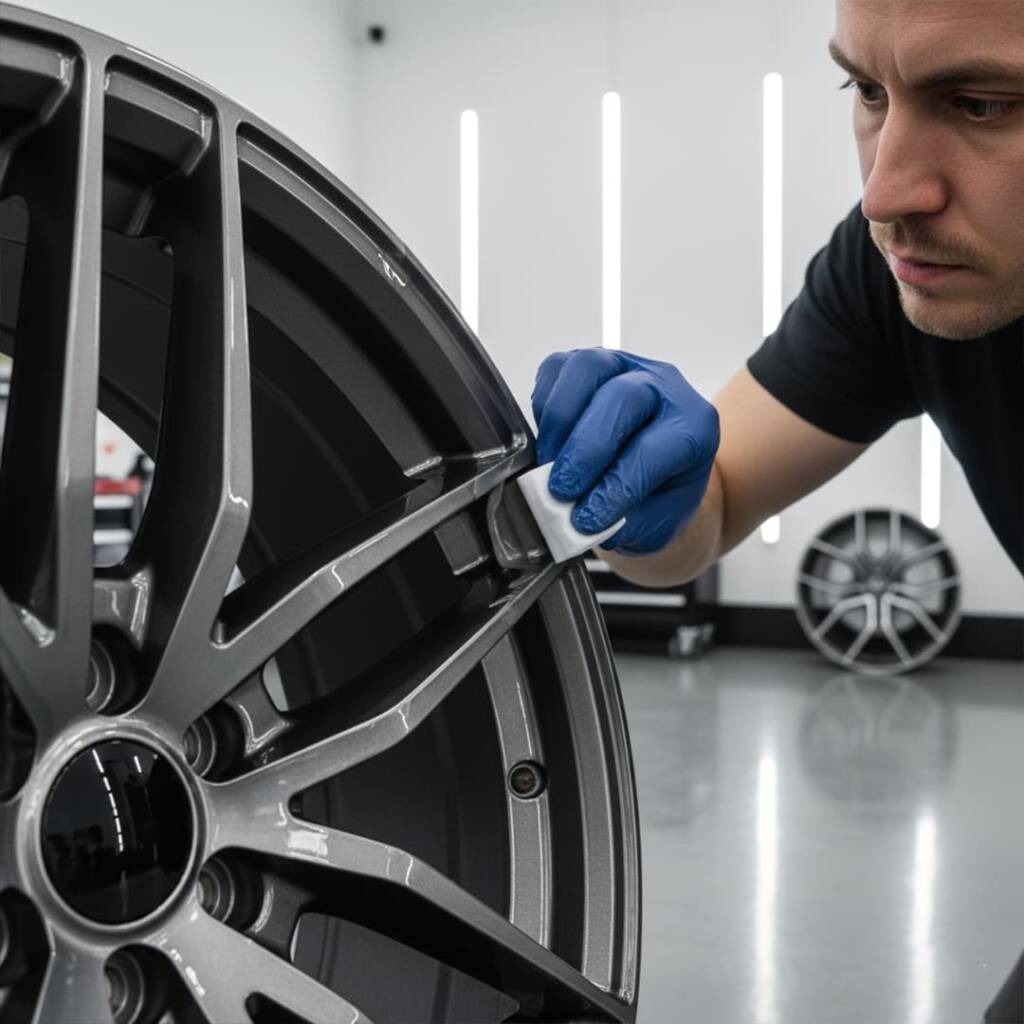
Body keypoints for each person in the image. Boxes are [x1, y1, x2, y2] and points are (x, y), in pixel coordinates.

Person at [531, 1, 1023, 1020]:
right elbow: (709, 507)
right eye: (867, 91)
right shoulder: (890, 273)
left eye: (982, 103)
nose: (887, 189)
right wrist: (643, 496)